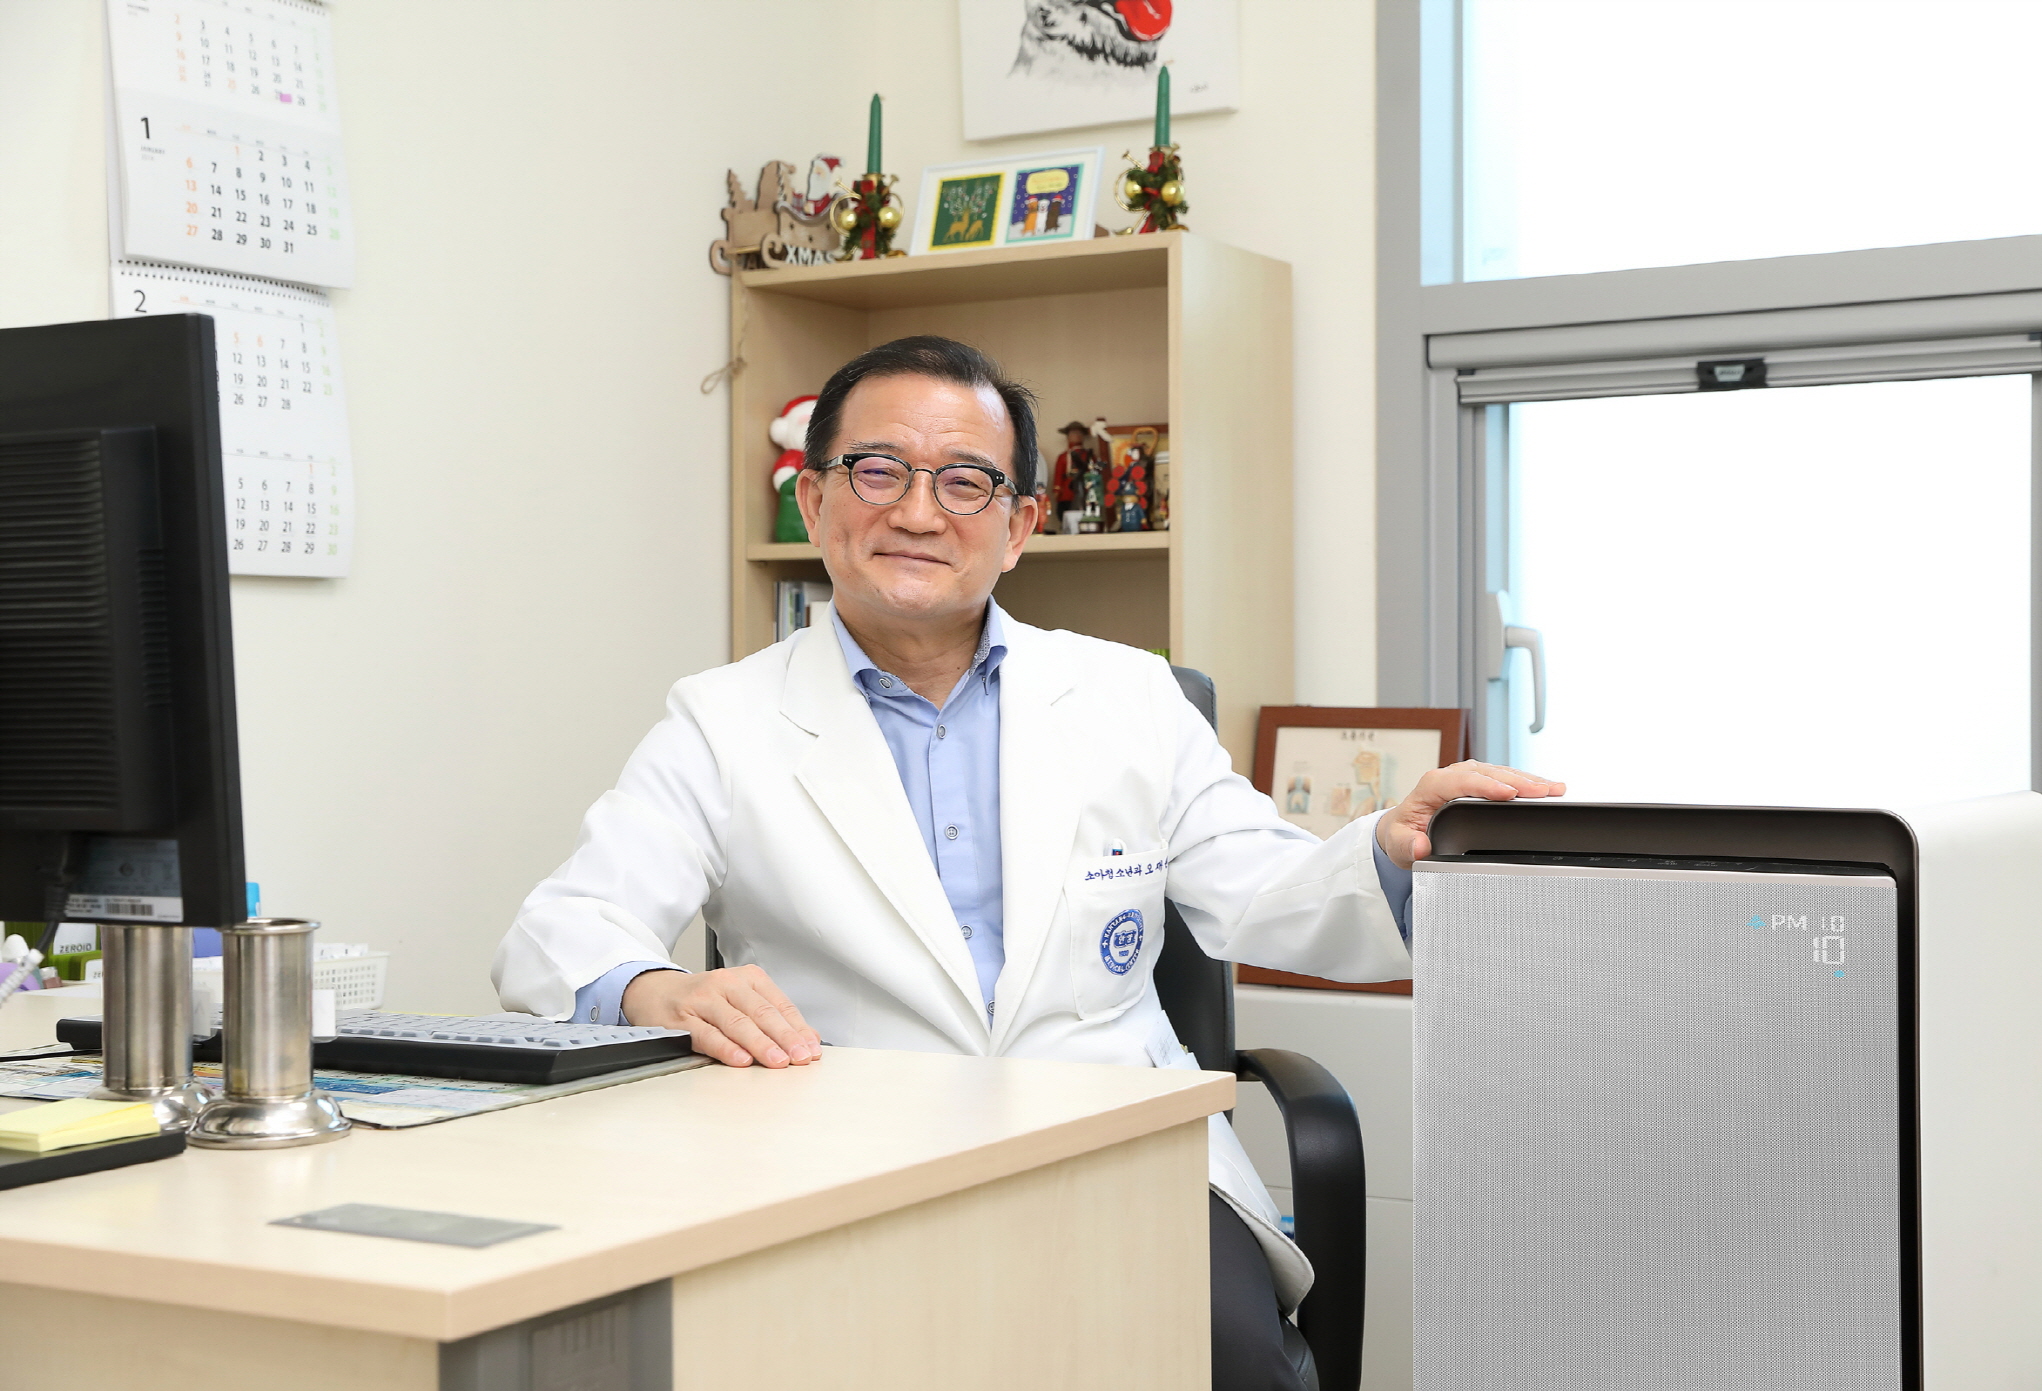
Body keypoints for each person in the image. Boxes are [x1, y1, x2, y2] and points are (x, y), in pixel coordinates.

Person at [492, 335, 1563, 1391]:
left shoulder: (1129, 696)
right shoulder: (721, 719)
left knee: (1218, 1362)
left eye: (964, 481)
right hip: (847, 1161)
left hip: (1120, 1147)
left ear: (1017, 527)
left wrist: (1388, 847)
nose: (919, 513)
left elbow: (1264, 888)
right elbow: (564, 928)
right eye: (877, 470)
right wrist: (654, 986)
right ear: (813, 501)